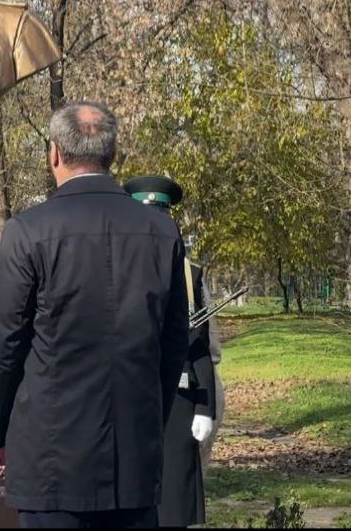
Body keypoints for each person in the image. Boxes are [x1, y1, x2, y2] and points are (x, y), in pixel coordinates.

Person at [0, 102, 190, 529]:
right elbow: (173, 343)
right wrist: (150, 422)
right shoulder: (161, 230)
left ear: (54, 153)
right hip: (132, 456)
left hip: (51, 460)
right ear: (112, 154)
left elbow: (5, 342)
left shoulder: (28, 230)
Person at [123, 175, 217, 527]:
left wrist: (205, 406)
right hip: (129, 395)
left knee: (175, 499)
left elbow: (200, 343)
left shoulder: (191, 275)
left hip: (179, 398)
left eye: (161, 219)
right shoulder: (118, 267)